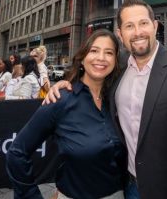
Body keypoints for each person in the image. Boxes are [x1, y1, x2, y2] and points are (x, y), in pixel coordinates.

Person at [48, 0, 167, 198]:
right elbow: (92, 80)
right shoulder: (118, 67)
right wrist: (67, 84)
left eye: (143, 23)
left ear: (155, 26)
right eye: (129, 26)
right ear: (120, 34)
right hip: (127, 186)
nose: (138, 32)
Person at [7, 30, 125, 199]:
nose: (101, 57)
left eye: (109, 53)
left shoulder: (116, 98)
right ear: (82, 57)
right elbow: (16, 153)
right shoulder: (61, 99)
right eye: (94, 50)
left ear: (115, 60)